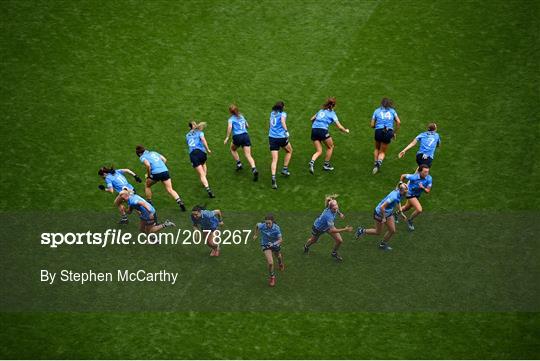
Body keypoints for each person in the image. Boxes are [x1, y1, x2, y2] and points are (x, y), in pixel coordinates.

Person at [355, 182, 409, 251]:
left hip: (388, 213)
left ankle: (382, 244)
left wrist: (401, 213)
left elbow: (398, 201)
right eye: (406, 191)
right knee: (378, 232)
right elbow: (382, 207)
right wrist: (383, 218)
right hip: (380, 213)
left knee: (392, 230)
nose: (407, 193)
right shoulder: (394, 197)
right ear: (401, 190)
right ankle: (361, 231)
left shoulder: (399, 193)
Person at [135, 145, 186, 211]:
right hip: (165, 171)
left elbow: (148, 165)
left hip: (156, 174)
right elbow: (164, 159)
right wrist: (161, 167)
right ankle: (179, 202)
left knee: (147, 186)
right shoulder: (153, 152)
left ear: (139, 153)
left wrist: (148, 174)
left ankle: (149, 202)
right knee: (170, 189)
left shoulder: (142, 157)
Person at [303, 195, 353, 261]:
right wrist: (345, 229)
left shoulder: (334, 208)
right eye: (334, 209)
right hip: (318, 228)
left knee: (339, 240)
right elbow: (333, 230)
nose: (336, 210)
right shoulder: (328, 216)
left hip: (327, 227)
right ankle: (306, 246)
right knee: (313, 241)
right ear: (330, 208)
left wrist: (340, 213)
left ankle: (334, 253)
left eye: (336, 207)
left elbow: (337, 210)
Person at [308, 97, 350, 174]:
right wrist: (346, 130)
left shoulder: (321, 110)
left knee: (319, 150)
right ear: (334, 106)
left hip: (314, 130)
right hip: (322, 131)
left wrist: (316, 124)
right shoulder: (332, 114)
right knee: (330, 147)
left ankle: (312, 162)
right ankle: (326, 165)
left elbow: (312, 119)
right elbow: (339, 127)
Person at [224, 104, 259, 181]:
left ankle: (239, 163)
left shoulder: (231, 119)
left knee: (232, 149)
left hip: (237, 137)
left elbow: (229, 127)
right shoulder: (242, 116)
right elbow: (247, 126)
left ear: (230, 112)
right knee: (248, 155)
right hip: (246, 136)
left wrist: (227, 137)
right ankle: (254, 169)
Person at [371, 98, 401, 174]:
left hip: (378, 131)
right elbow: (398, 122)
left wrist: (377, 127)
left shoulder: (377, 111)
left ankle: (375, 164)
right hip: (388, 132)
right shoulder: (392, 111)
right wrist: (394, 132)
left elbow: (372, 125)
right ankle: (379, 163)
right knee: (383, 152)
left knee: (377, 148)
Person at [253, 214, 284, 287]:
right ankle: (272, 277)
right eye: (266, 223)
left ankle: (280, 263)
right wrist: (255, 235)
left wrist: (273, 244)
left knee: (278, 256)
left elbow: (280, 240)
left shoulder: (276, 228)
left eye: (269, 223)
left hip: (275, 244)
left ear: (272, 222)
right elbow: (257, 225)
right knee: (270, 263)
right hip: (265, 244)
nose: (267, 224)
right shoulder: (262, 225)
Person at [186, 121, 215, 198]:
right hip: (201, 153)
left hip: (193, 155)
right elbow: (203, 140)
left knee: (201, 173)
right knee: (204, 163)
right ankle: (204, 179)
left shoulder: (187, 135)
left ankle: (207, 188)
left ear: (189, 127)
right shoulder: (199, 132)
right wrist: (208, 149)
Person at [398, 165, 432, 231]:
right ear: (420, 172)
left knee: (406, 207)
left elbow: (428, 191)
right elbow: (403, 176)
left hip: (417, 195)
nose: (427, 173)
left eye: (427, 172)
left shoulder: (429, 178)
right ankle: (410, 221)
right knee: (419, 209)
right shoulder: (414, 177)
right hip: (409, 193)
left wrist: (423, 188)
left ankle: (395, 214)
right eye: (425, 172)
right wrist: (401, 184)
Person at [268, 101, 293, 189]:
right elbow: (282, 122)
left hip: (272, 138)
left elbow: (270, 124)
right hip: (281, 137)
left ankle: (273, 177)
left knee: (274, 159)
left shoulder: (272, 113)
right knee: (289, 151)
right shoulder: (283, 114)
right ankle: (285, 169)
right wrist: (286, 131)